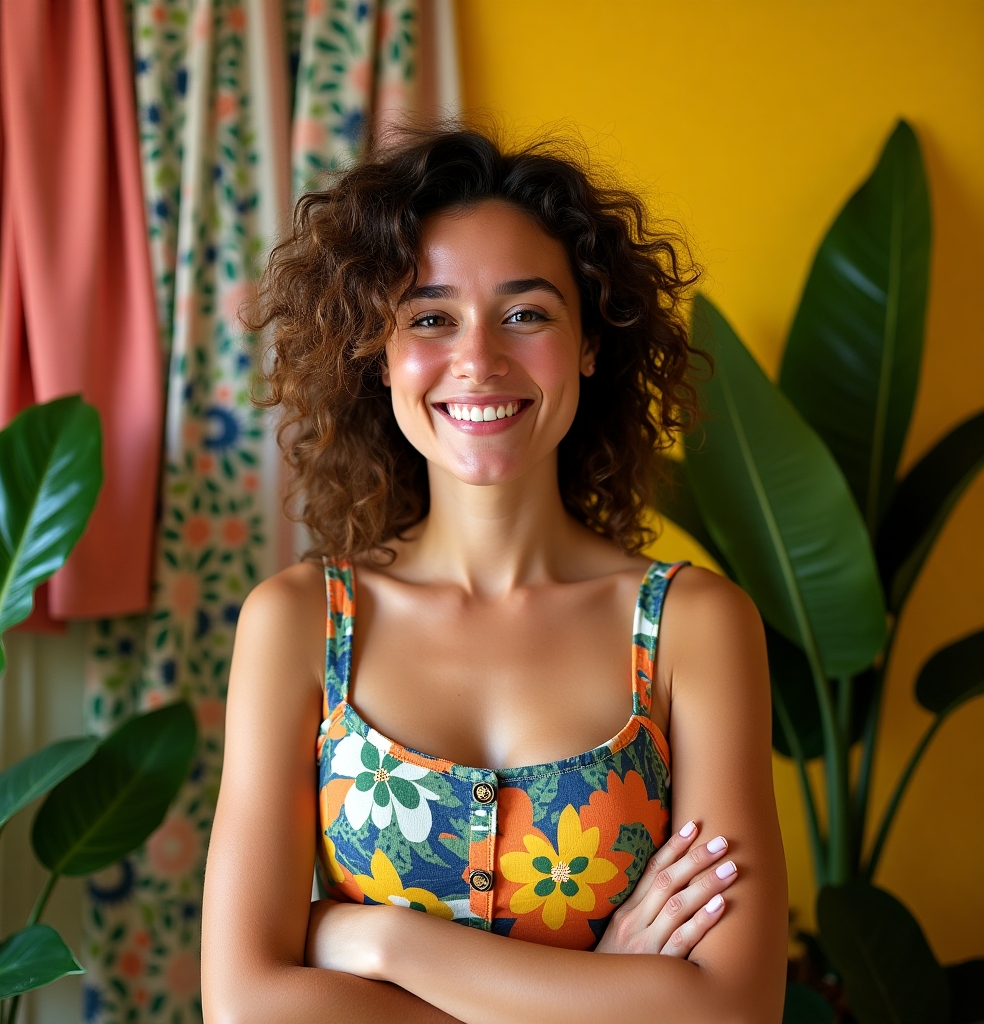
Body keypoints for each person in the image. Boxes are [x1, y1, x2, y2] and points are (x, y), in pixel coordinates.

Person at [201, 127, 788, 1024]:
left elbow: (734, 1010)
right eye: (430, 317)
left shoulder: (694, 624)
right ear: (380, 352)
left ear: (590, 341)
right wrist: (609, 992)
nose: (478, 358)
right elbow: (246, 1007)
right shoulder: (297, 624)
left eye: (527, 313)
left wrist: (374, 941)